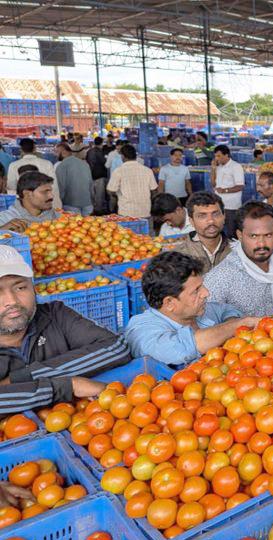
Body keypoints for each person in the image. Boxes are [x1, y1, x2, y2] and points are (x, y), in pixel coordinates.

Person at [0, 246, 130, 414]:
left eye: (20, 288)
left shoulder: (55, 315)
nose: (11, 300)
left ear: (33, 288)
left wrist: (22, 378)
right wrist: (69, 386)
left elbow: (117, 348)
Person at [124, 252, 256, 367]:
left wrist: (232, 323)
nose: (206, 293)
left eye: (202, 286)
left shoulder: (199, 311)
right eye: (196, 291)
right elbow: (181, 347)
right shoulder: (141, 330)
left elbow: (226, 310)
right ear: (169, 303)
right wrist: (239, 325)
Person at [205, 201, 273, 317]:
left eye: (268, 235)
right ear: (240, 235)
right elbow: (206, 323)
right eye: (253, 236)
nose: (261, 243)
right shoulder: (221, 278)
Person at [173, 192, 232, 270]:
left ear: (224, 217)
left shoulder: (238, 251)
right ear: (191, 221)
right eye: (202, 216)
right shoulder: (179, 256)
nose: (211, 221)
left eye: (215, 214)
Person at [106, 144, 157, 218]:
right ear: (135, 156)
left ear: (122, 156)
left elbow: (111, 191)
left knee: (127, 230)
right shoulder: (147, 170)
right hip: (145, 211)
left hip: (126, 212)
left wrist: (117, 194)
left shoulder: (118, 171)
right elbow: (154, 190)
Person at [7, 138, 60, 209]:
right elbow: (54, 186)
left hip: (26, 207)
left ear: (21, 150)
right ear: (34, 149)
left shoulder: (13, 165)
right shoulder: (47, 163)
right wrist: (56, 205)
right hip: (48, 204)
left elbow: (11, 187)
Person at [211, 145, 245, 238]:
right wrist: (213, 169)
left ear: (226, 155)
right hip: (219, 205)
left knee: (231, 232)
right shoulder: (219, 167)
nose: (216, 158)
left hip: (231, 206)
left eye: (219, 156)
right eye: (215, 156)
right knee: (220, 230)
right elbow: (213, 184)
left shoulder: (236, 166)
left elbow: (240, 186)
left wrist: (224, 190)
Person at [55, 142, 94, 216]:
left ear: (63, 152)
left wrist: (59, 202)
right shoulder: (84, 163)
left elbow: (61, 187)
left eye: (57, 152)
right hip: (87, 202)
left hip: (71, 204)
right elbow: (90, 184)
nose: (55, 154)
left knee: (75, 226)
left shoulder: (61, 166)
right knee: (89, 225)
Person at [86, 137, 108, 215]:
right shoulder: (99, 152)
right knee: (99, 194)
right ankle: (98, 210)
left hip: (90, 174)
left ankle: (92, 209)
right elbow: (104, 162)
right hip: (99, 175)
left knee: (92, 193)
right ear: (101, 143)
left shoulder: (89, 151)